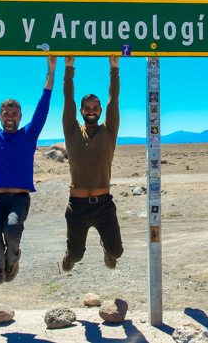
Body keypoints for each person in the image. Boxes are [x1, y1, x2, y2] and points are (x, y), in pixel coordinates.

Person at [0, 53, 56, 284]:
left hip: (19, 198)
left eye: (14, 114)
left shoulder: (28, 135)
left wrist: (51, 72)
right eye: (6, 114)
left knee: (11, 229)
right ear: (0, 117)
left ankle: (13, 259)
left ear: (20, 116)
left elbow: (43, 106)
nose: (10, 117)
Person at [60, 54, 123, 272]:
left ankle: (108, 250)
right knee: (76, 255)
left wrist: (114, 69)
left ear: (100, 111)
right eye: (87, 108)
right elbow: (68, 100)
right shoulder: (72, 130)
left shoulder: (109, 130)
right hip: (77, 206)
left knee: (117, 252)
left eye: (95, 107)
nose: (91, 111)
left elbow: (113, 100)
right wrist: (69, 68)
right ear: (81, 111)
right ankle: (70, 253)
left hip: (104, 203)